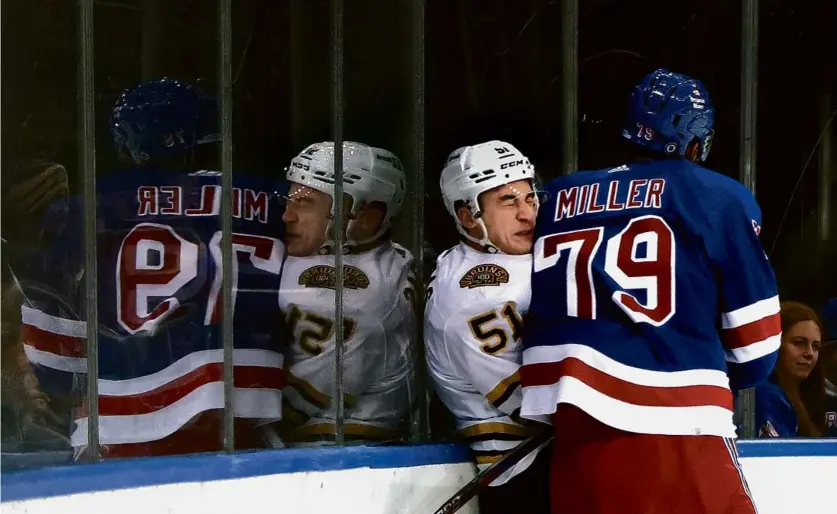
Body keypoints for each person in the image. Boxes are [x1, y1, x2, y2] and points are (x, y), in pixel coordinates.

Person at [521, 68, 781, 514]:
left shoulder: (556, 198)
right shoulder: (718, 196)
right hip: (677, 427)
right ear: (696, 141)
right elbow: (757, 348)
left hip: (573, 438)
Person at [21, 78, 288, 458]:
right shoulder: (276, 203)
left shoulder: (87, 207)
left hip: (117, 420)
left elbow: (49, 350)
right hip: (239, 414)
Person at [424, 141, 550, 514]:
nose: (528, 214)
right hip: (522, 472)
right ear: (467, 216)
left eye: (530, 197)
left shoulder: (504, 257)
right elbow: (534, 410)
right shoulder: (471, 298)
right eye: (509, 202)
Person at [277, 141, 418, 445]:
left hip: (334, 459)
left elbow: (299, 405)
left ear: (366, 218)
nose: (288, 215)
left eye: (306, 203)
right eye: (290, 199)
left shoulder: (352, 302)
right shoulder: (390, 258)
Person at [755, 301, 826, 437]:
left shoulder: (815, 395)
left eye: (815, 346)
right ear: (775, 345)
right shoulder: (765, 396)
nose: (809, 353)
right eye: (798, 343)